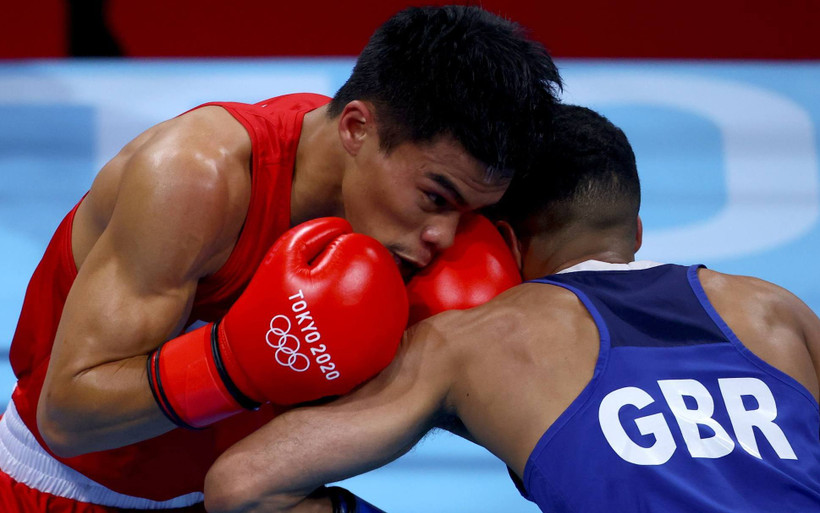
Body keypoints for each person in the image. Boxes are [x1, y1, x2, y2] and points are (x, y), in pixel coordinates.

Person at [0, 5, 562, 512]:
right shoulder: (197, 179)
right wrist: (232, 365)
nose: (443, 235)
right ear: (357, 129)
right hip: (56, 492)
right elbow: (67, 418)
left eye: (468, 212)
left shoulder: (399, 220)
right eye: (436, 198)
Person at [202, 104, 820, 513]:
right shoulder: (773, 308)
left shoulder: (469, 342)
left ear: (500, 241)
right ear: (634, 230)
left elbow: (242, 489)